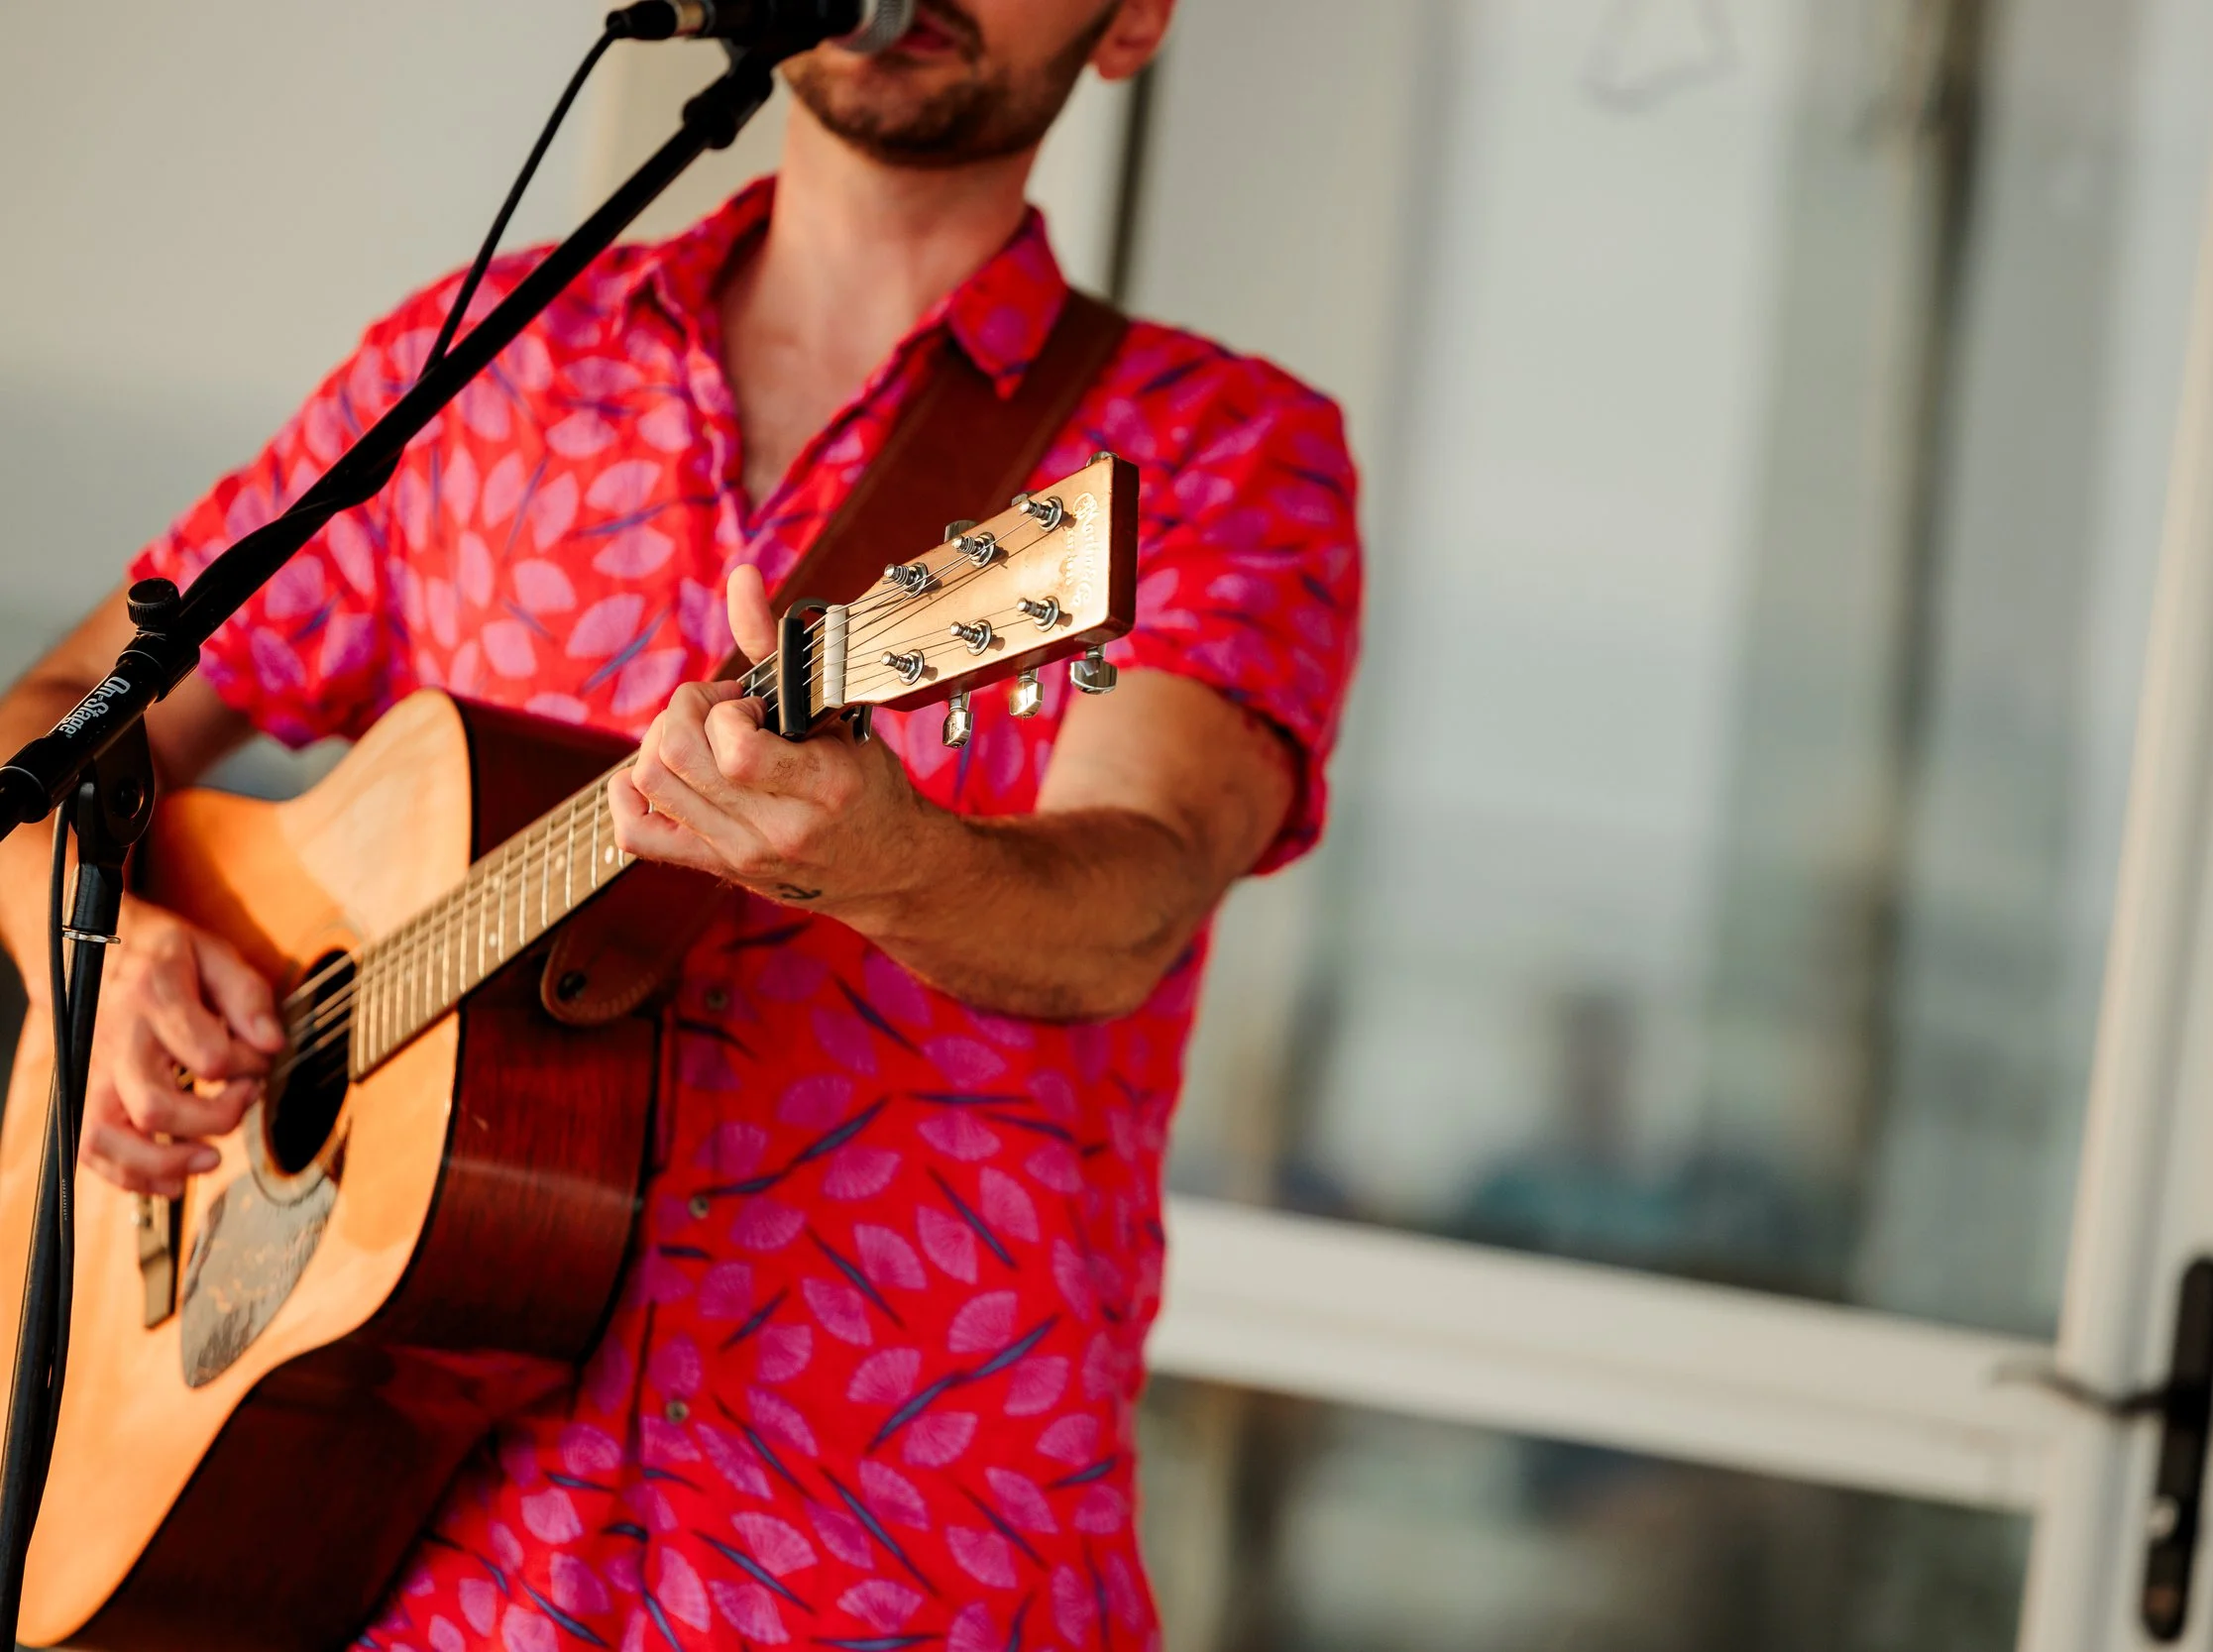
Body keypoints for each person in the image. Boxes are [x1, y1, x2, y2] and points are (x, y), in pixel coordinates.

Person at [0, 1, 1362, 1645]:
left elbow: (1128, 899)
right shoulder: (491, 366)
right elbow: (53, 726)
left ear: (1132, 19)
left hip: (900, 1571)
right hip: (397, 1574)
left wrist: (889, 861)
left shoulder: (1220, 452)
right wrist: (114, 951)